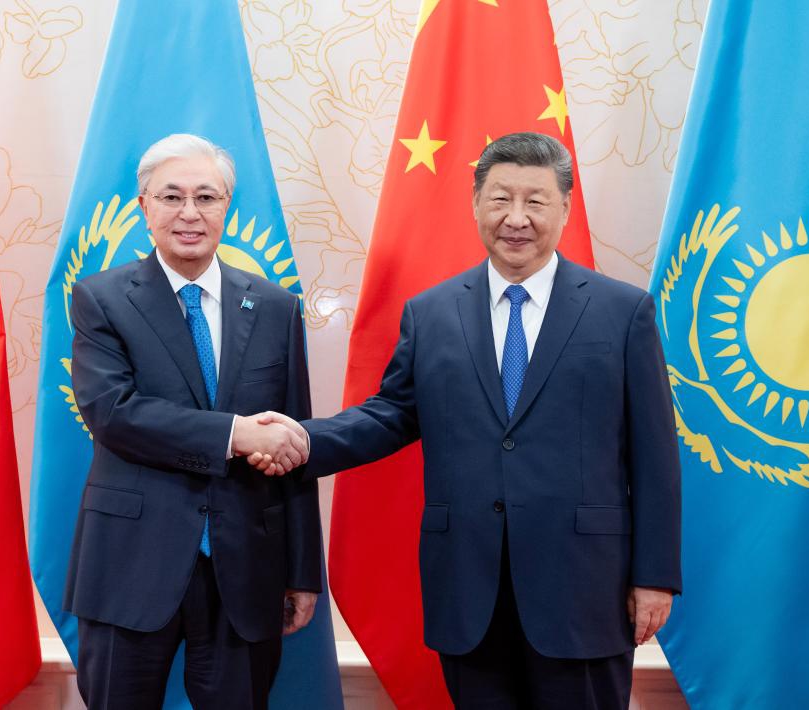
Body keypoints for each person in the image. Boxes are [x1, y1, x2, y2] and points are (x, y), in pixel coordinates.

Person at [254, 132, 681, 709]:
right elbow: (391, 415)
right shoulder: (431, 313)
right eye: (501, 198)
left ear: (565, 207)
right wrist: (304, 440)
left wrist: (653, 576)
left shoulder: (621, 311)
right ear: (476, 203)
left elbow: (655, 456)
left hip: (584, 589)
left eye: (536, 201)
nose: (517, 218)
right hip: (469, 589)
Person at [63, 133, 320, 709]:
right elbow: (114, 413)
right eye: (171, 196)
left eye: (206, 197)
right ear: (144, 205)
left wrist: (303, 571)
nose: (189, 213)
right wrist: (236, 434)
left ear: (226, 207)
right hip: (130, 561)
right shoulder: (101, 298)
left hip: (246, 569)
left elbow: (294, 443)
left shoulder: (276, 308)